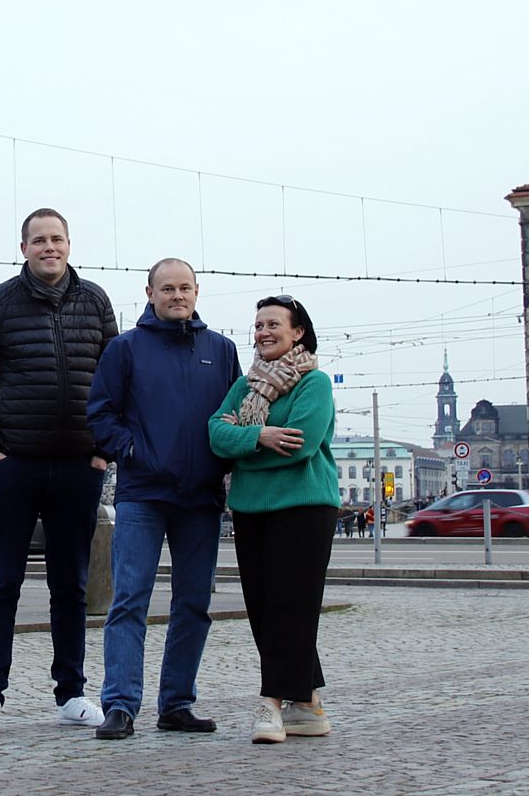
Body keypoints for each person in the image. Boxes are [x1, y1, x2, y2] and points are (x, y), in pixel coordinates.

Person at [0, 208, 117, 734]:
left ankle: (71, 693)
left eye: (58, 239)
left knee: (72, 584)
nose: (50, 247)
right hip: (14, 465)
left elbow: (117, 384)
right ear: (24, 247)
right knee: (2, 582)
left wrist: (102, 452)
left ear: (70, 245)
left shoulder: (95, 301)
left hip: (79, 466)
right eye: (39, 240)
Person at [85, 258, 242, 740]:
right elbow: (100, 413)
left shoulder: (222, 349)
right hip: (143, 495)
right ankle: (120, 705)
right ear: (149, 293)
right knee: (129, 600)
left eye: (185, 288)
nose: (177, 296)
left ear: (198, 293)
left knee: (194, 603)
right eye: (167, 288)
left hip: (201, 498)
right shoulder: (124, 349)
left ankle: (177, 702)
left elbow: (237, 414)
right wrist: (130, 450)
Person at [208, 295, 337, 744]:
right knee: (266, 610)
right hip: (251, 509)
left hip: (305, 507)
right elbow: (215, 435)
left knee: (291, 607)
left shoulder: (314, 383)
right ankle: (308, 704)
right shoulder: (246, 386)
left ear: (297, 331)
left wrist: (243, 447)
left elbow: (301, 445)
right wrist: (260, 436)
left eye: (273, 324)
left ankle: (271, 704)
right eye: (258, 324)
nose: (263, 332)